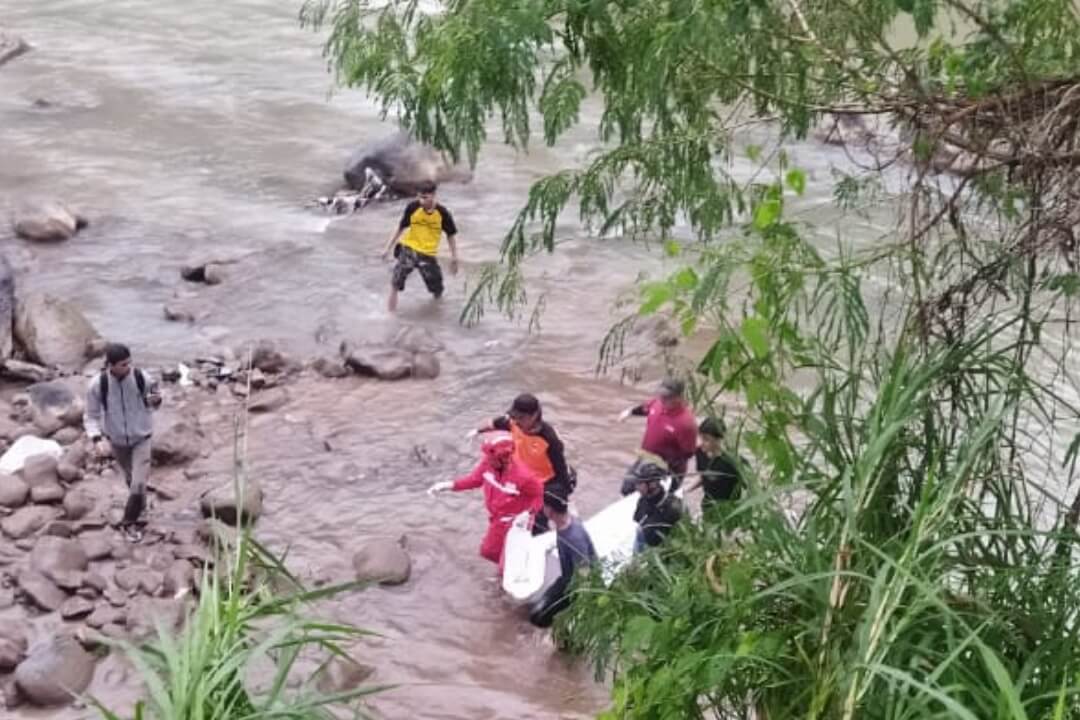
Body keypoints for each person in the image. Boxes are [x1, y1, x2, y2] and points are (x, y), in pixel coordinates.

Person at [428, 431, 543, 571]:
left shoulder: (524, 477)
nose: (487, 459)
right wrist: (449, 485)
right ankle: (517, 564)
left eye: (491, 457)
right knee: (488, 552)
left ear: (504, 458)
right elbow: (474, 480)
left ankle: (510, 574)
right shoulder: (487, 464)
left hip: (516, 524)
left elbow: (539, 495)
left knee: (505, 565)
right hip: (497, 519)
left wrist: (530, 514)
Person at [84, 343, 162, 542]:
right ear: (110, 365)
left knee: (137, 483)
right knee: (131, 481)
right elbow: (90, 416)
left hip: (142, 438)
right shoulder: (97, 384)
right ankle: (141, 508)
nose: (128, 367)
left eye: (129, 362)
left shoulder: (141, 377)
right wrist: (97, 439)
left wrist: (156, 400)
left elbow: (154, 400)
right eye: (123, 365)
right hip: (117, 441)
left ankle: (129, 524)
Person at [470, 393, 576, 535]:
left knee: (542, 521)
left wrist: (563, 494)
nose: (516, 421)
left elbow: (561, 469)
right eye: (514, 416)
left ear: (534, 415)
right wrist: (476, 431)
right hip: (524, 480)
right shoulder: (512, 423)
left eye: (521, 418)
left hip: (547, 483)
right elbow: (492, 423)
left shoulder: (550, 438)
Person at [381, 182, 460, 312]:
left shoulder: (443, 213)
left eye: (425, 197)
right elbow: (400, 228)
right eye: (420, 197)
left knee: (437, 289)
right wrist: (387, 248)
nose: (422, 201)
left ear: (434, 195)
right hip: (409, 249)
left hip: (428, 254)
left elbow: (451, 236)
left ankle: (437, 313)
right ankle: (391, 316)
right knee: (395, 283)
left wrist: (454, 258)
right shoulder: (412, 208)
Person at [616, 377, 697, 495]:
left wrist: (664, 465)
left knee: (657, 500)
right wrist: (629, 412)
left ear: (679, 397)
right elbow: (645, 408)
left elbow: (688, 453)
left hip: (667, 469)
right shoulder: (657, 403)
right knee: (627, 489)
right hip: (646, 458)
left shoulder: (686, 423)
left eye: (667, 397)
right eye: (661, 395)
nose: (662, 400)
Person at [529, 493, 597, 628]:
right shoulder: (568, 520)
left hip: (576, 585)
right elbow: (573, 509)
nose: (542, 509)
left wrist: (583, 601)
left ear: (550, 510)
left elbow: (585, 570)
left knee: (539, 618)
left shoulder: (574, 537)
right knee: (537, 611)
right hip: (566, 578)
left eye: (544, 506)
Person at [688, 418, 743, 514]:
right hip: (708, 508)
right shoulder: (700, 453)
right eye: (701, 438)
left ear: (719, 439)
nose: (702, 443)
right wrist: (686, 489)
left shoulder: (734, 462)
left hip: (729, 512)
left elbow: (750, 488)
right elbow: (705, 475)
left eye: (706, 439)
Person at [632, 463, 685, 550]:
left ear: (653, 484)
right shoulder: (642, 501)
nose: (636, 488)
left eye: (639, 483)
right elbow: (637, 519)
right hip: (644, 542)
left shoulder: (673, 507)